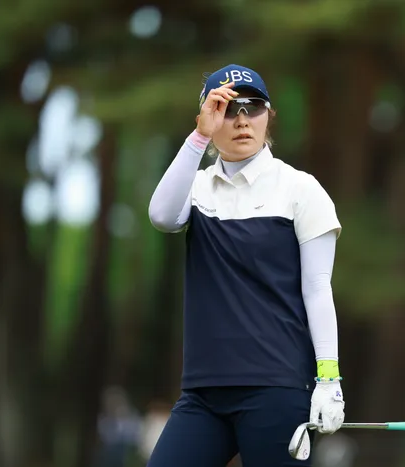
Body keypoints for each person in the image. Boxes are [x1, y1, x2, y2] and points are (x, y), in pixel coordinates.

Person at [146, 64, 345, 466]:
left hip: (276, 388)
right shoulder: (197, 187)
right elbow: (162, 216)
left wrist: (329, 379)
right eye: (226, 109)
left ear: (268, 116)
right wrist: (199, 136)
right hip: (204, 393)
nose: (241, 120)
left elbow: (317, 289)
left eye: (253, 108)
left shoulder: (300, 188)